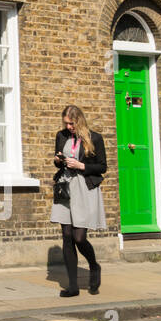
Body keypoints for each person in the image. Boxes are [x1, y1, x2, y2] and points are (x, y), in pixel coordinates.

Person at [50, 105, 107, 297]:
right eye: (66, 123)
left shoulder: (95, 138)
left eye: (71, 123)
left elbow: (102, 166)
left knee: (78, 237)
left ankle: (94, 265)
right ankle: (72, 286)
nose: (68, 127)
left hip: (84, 187)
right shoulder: (62, 136)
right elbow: (57, 160)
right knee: (66, 235)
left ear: (79, 121)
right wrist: (59, 160)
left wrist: (81, 165)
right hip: (65, 187)